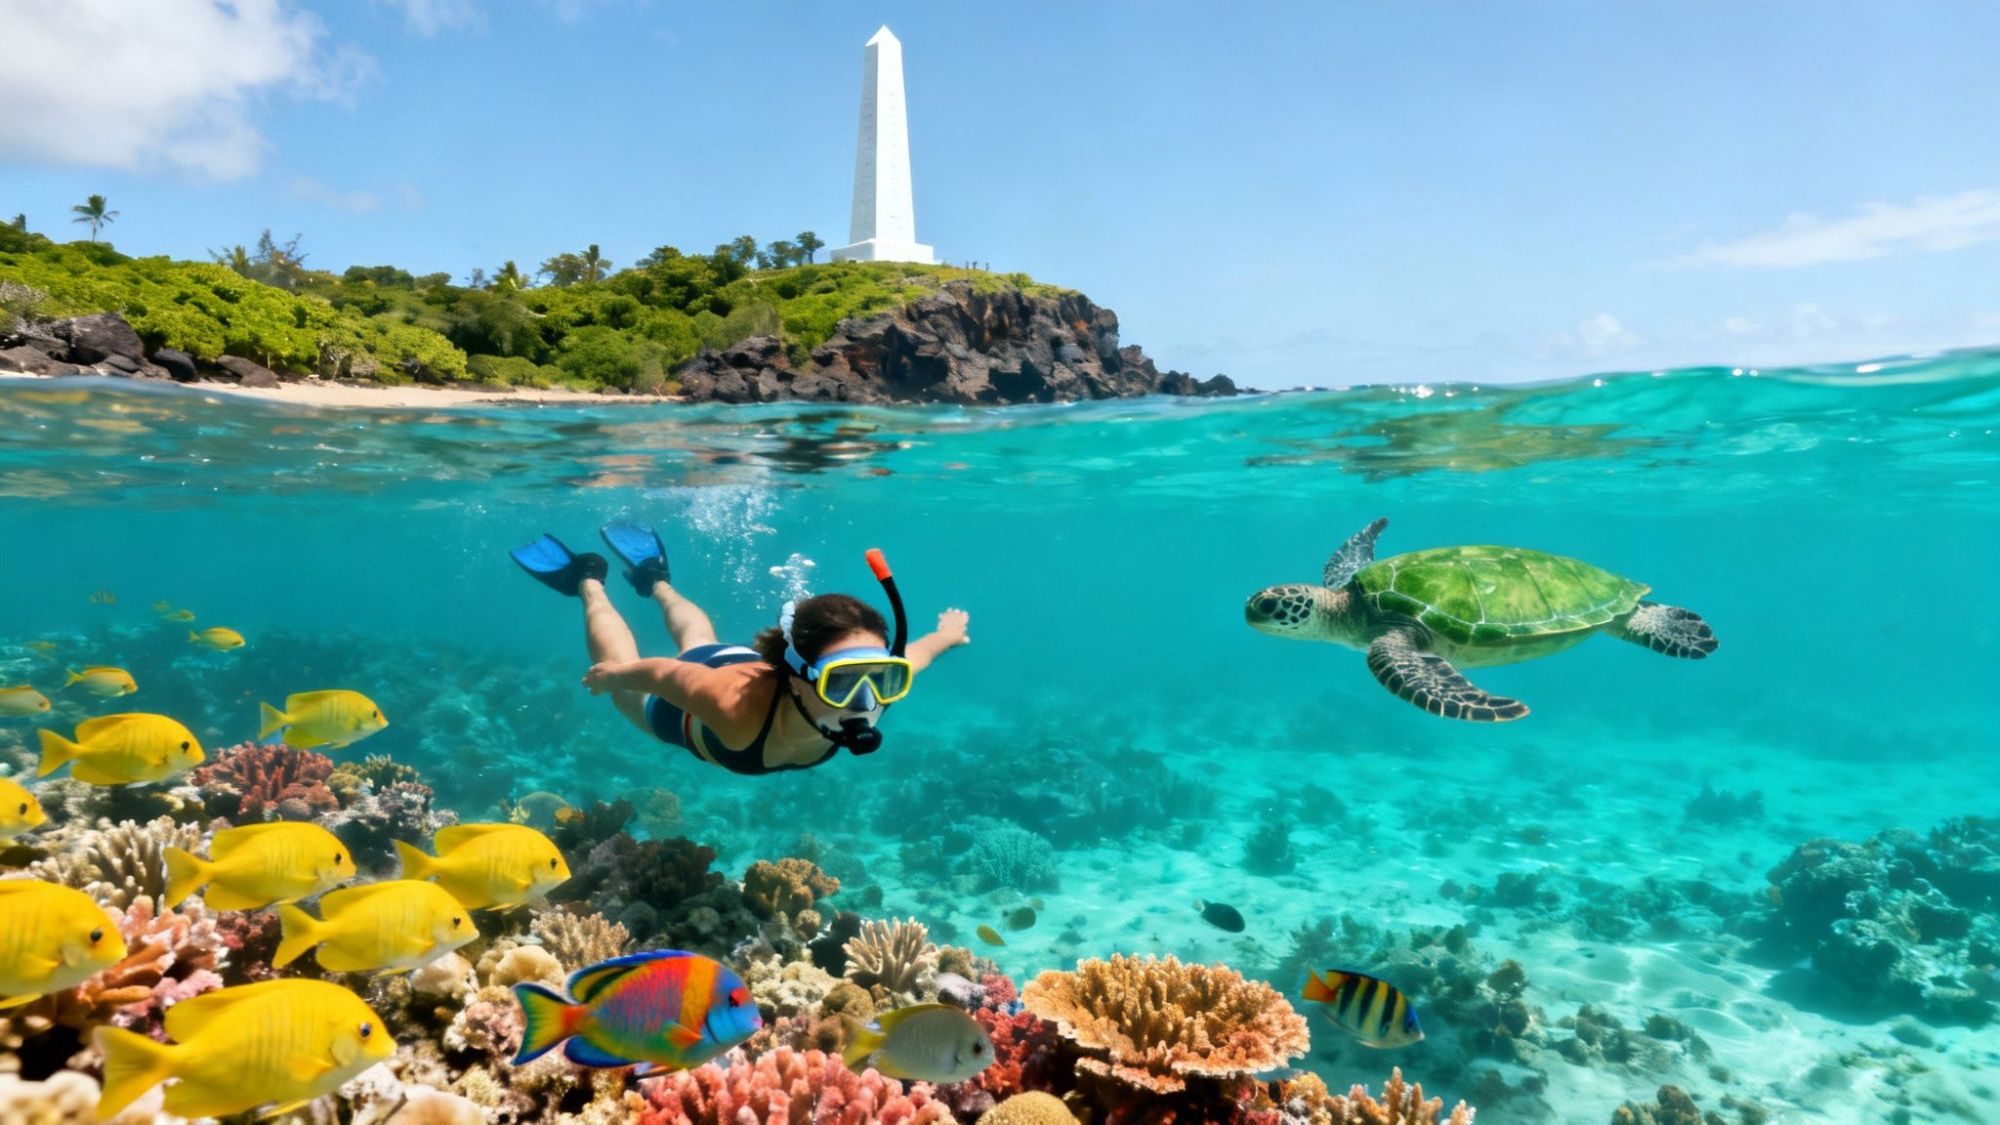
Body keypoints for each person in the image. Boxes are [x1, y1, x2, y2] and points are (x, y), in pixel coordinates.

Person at [511, 524, 968, 774]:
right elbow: (663, 675)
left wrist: (946, 635)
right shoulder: (730, 705)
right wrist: (613, 678)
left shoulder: (871, 689)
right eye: (842, 681)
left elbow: (916, 655)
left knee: (701, 642)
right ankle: (587, 579)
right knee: (631, 669)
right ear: (797, 673)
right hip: (692, 701)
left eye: (885, 678)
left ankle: (655, 581)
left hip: (736, 667)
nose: (866, 701)